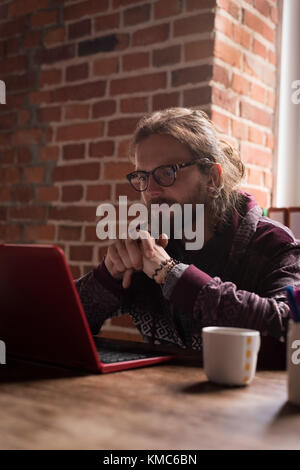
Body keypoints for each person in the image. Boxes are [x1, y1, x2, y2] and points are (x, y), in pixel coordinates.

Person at [75, 108, 300, 368]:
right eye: (142, 177)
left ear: (213, 178)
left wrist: (171, 274)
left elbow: (290, 331)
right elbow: (58, 323)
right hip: (158, 403)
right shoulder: (148, 244)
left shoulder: (274, 244)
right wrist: (107, 276)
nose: (151, 190)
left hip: (253, 405)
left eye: (167, 172)